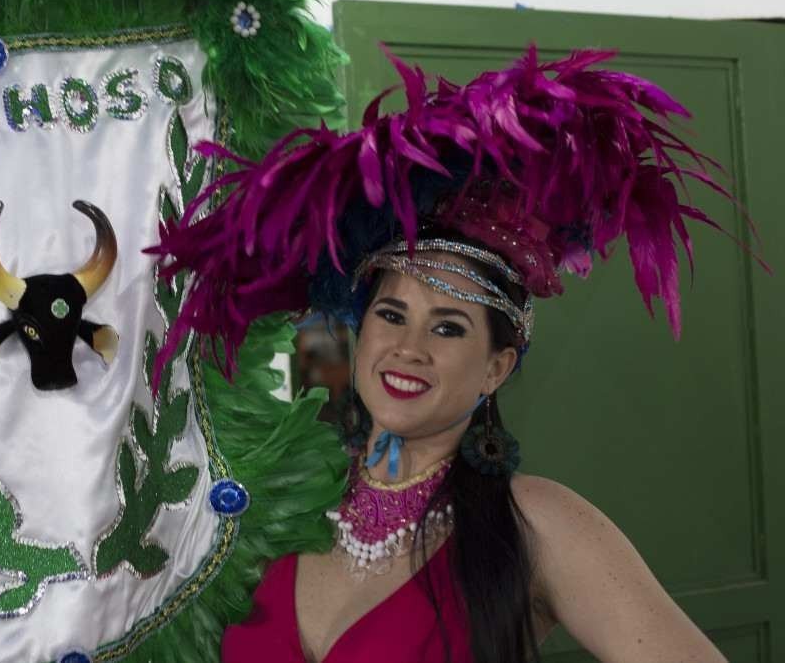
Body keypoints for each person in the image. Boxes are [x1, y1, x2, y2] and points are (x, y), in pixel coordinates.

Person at [148, 46, 756, 662]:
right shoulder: (283, 496)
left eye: (448, 328)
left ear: (496, 367)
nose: (408, 348)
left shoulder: (537, 524)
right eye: (391, 315)